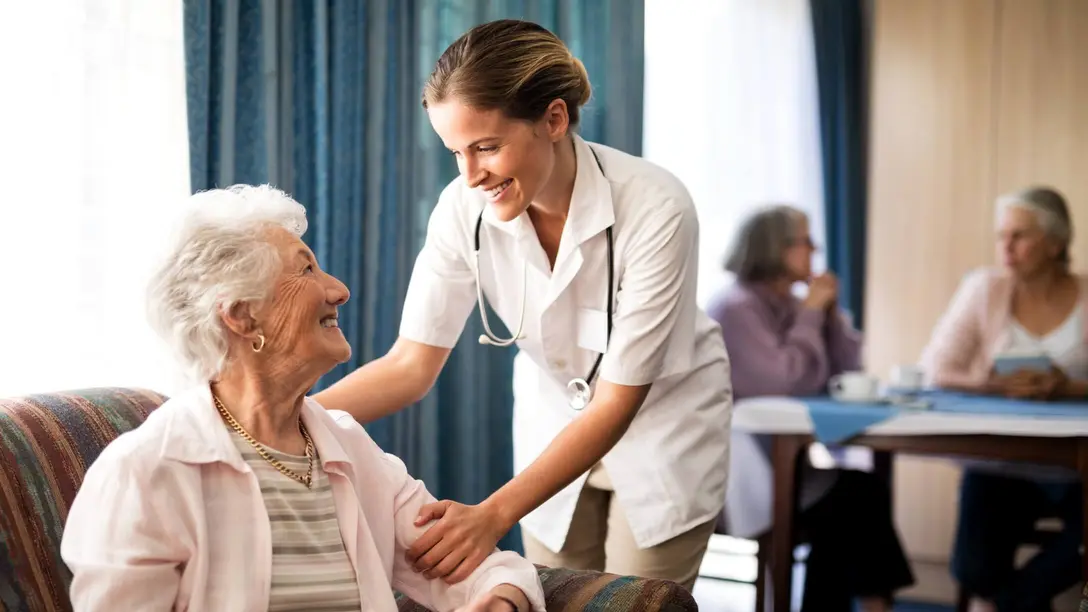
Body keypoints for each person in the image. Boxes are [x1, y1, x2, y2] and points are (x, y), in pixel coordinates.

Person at [313, 19, 731, 591]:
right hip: (554, 420)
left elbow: (616, 402)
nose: (470, 175)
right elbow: (411, 365)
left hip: (662, 428)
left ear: (553, 119)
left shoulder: (656, 206)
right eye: (455, 151)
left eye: (487, 146)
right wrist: (291, 418)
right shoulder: (463, 208)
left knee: (636, 602)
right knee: (557, 597)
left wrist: (491, 515)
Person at [60, 185, 545, 612]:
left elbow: (489, 567)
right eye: (307, 269)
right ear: (242, 316)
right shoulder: (146, 473)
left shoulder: (349, 449)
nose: (339, 289)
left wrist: (497, 600)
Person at [706, 205, 914, 612]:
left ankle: (872, 605)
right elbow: (783, 381)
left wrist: (829, 315)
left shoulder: (786, 305)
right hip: (737, 477)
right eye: (805, 241)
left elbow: (847, 369)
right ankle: (876, 605)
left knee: (855, 496)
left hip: (783, 465)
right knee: (852, 499)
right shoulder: (737, 307)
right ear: (775, 248)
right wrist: (812, 312)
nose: (815, 249)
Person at [920, 186, 1085, 612]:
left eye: (1020, 236)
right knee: (973, 569)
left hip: (1076, 465)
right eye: (1001, 235)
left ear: (1055, 242)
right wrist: (994, 384)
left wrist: (1066, 388)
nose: (1005, 247)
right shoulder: (983, 288)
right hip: (1001, 462)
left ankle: (1012, 605)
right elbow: (936, 369)